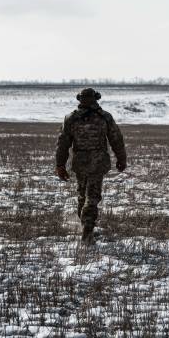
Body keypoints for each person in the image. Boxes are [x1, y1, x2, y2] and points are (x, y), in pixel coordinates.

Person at [55, 88, 127, 244]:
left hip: (80, 163)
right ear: (96, 99)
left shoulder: (71, 118)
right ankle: (87, 231)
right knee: (91, 197)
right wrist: (121, 159)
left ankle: (86, 228)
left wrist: (60, 165)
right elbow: (116, 139)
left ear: (80, 100)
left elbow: (63, 144)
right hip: (98, 163)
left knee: (83, 196)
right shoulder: (104, 117)